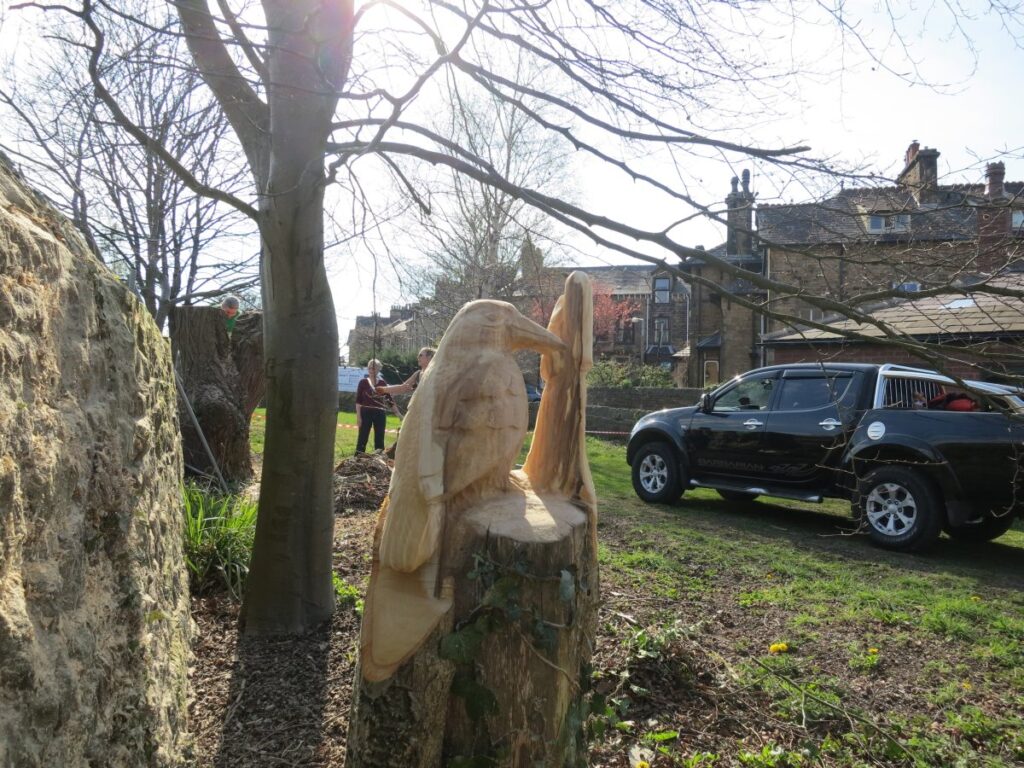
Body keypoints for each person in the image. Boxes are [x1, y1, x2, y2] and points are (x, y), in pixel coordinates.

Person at [355, 359, 393, 455]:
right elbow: (358, 401)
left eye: (374, 368)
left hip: (380, 413)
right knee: (362, 437)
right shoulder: (363, 382)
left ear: (379, 369)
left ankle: (379, 459)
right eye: (370, 368)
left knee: (379, 438)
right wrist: (359, 417)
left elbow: (389, 400)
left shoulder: (382, 383)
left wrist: (398, 414)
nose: (372, 370)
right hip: (365, 412)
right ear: (368, 369)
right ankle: (358, 458)